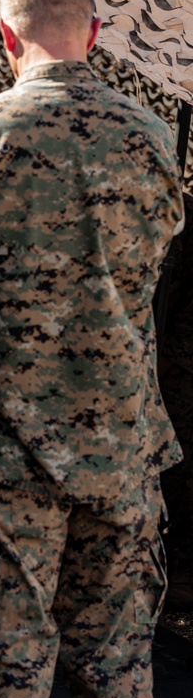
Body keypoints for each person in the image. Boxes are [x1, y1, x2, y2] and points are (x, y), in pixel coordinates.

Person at [0, 0, 183, 698]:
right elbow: (148, 254)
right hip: (119, 454)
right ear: (94, 32)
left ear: (4, 34)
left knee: (0, 677)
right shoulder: (153, 136)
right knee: (116, 675)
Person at [158, 192, 193, 609]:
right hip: (112, 360)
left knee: (181, 467)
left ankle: (183, 563)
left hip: (175, 367)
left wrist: (166, 359)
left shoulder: (185, 215)